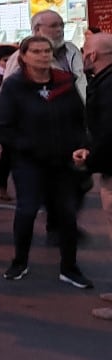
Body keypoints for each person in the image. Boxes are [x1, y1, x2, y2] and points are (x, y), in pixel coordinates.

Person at [0, 35, 91, 288]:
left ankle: (69, 268)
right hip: (29, 163)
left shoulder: (65, 83)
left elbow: (78, 120)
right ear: (24, 56)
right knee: (26, 212)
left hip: (62, 164)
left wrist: (81, 145)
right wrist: (27, 147)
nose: (43, 56)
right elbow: (3, 128)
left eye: (47, 51)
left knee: (67, 215)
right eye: (36, 51)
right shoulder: (14, 87)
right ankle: (19, 261)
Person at [80, 33, 112, 319]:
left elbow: (108, 133)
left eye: (86, 49)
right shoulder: (101, 82)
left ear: (94, 56)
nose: (83, 53)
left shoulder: (107, 85)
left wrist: (90, 159)